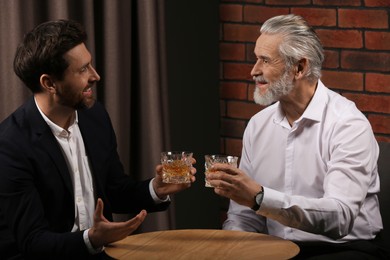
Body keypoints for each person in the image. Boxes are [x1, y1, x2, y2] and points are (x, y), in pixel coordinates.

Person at [0, 19, 196, 259]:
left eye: (90, 64)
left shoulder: (94, 116)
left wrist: (155, 189)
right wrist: (91, 238)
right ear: (49, 83)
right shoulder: (9, 145)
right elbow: (33, 240)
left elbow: (114, 190)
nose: (96, 76)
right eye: (82, 69)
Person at [207, 14, 388, 259]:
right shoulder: (258, 125)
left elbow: (340, 217)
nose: (253, 71)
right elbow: (243, 217)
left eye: (265, 60)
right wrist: (233, 249)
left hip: (344, 249)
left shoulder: (348, 123)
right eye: (255, 59)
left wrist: (260, 197)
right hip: (276, 249)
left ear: (299, 68)